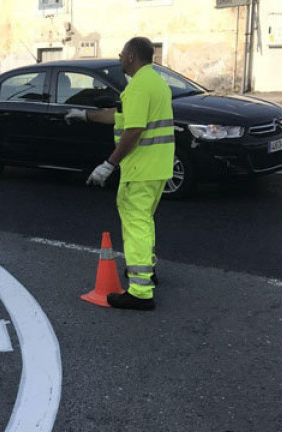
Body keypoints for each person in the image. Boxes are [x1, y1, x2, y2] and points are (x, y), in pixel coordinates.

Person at [65, 36, 175, 311]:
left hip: (140, 167)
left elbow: (133, 130)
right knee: (144, 221)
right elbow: (120, 115)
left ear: (131, 57)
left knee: (135, 224)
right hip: (158, 167)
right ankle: (147, 272)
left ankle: (140, 291)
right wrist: (85, 115)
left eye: (122, 52)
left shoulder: (138, 87)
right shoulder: (155, 82)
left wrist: (108, 164)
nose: (119, 55)